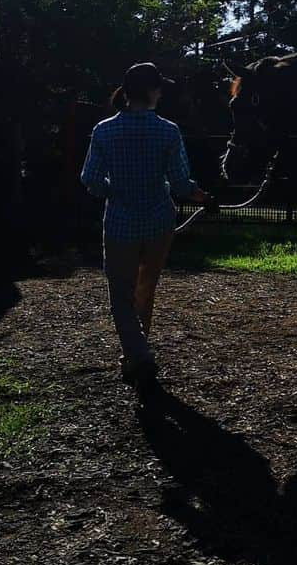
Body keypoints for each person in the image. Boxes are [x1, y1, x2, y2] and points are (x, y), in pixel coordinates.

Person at [80, 62, 207, 391]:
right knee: (144, 291)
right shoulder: (169, 131)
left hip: (120, 223)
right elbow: (180, 184)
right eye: (159, 87)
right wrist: (202, 196)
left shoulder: (104, 130)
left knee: (120, 297)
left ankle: (138, 356)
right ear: (152, 92)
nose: (162, 92)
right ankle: (136, 356)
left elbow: (90, 180)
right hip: (158, 223)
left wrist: (115, 190)